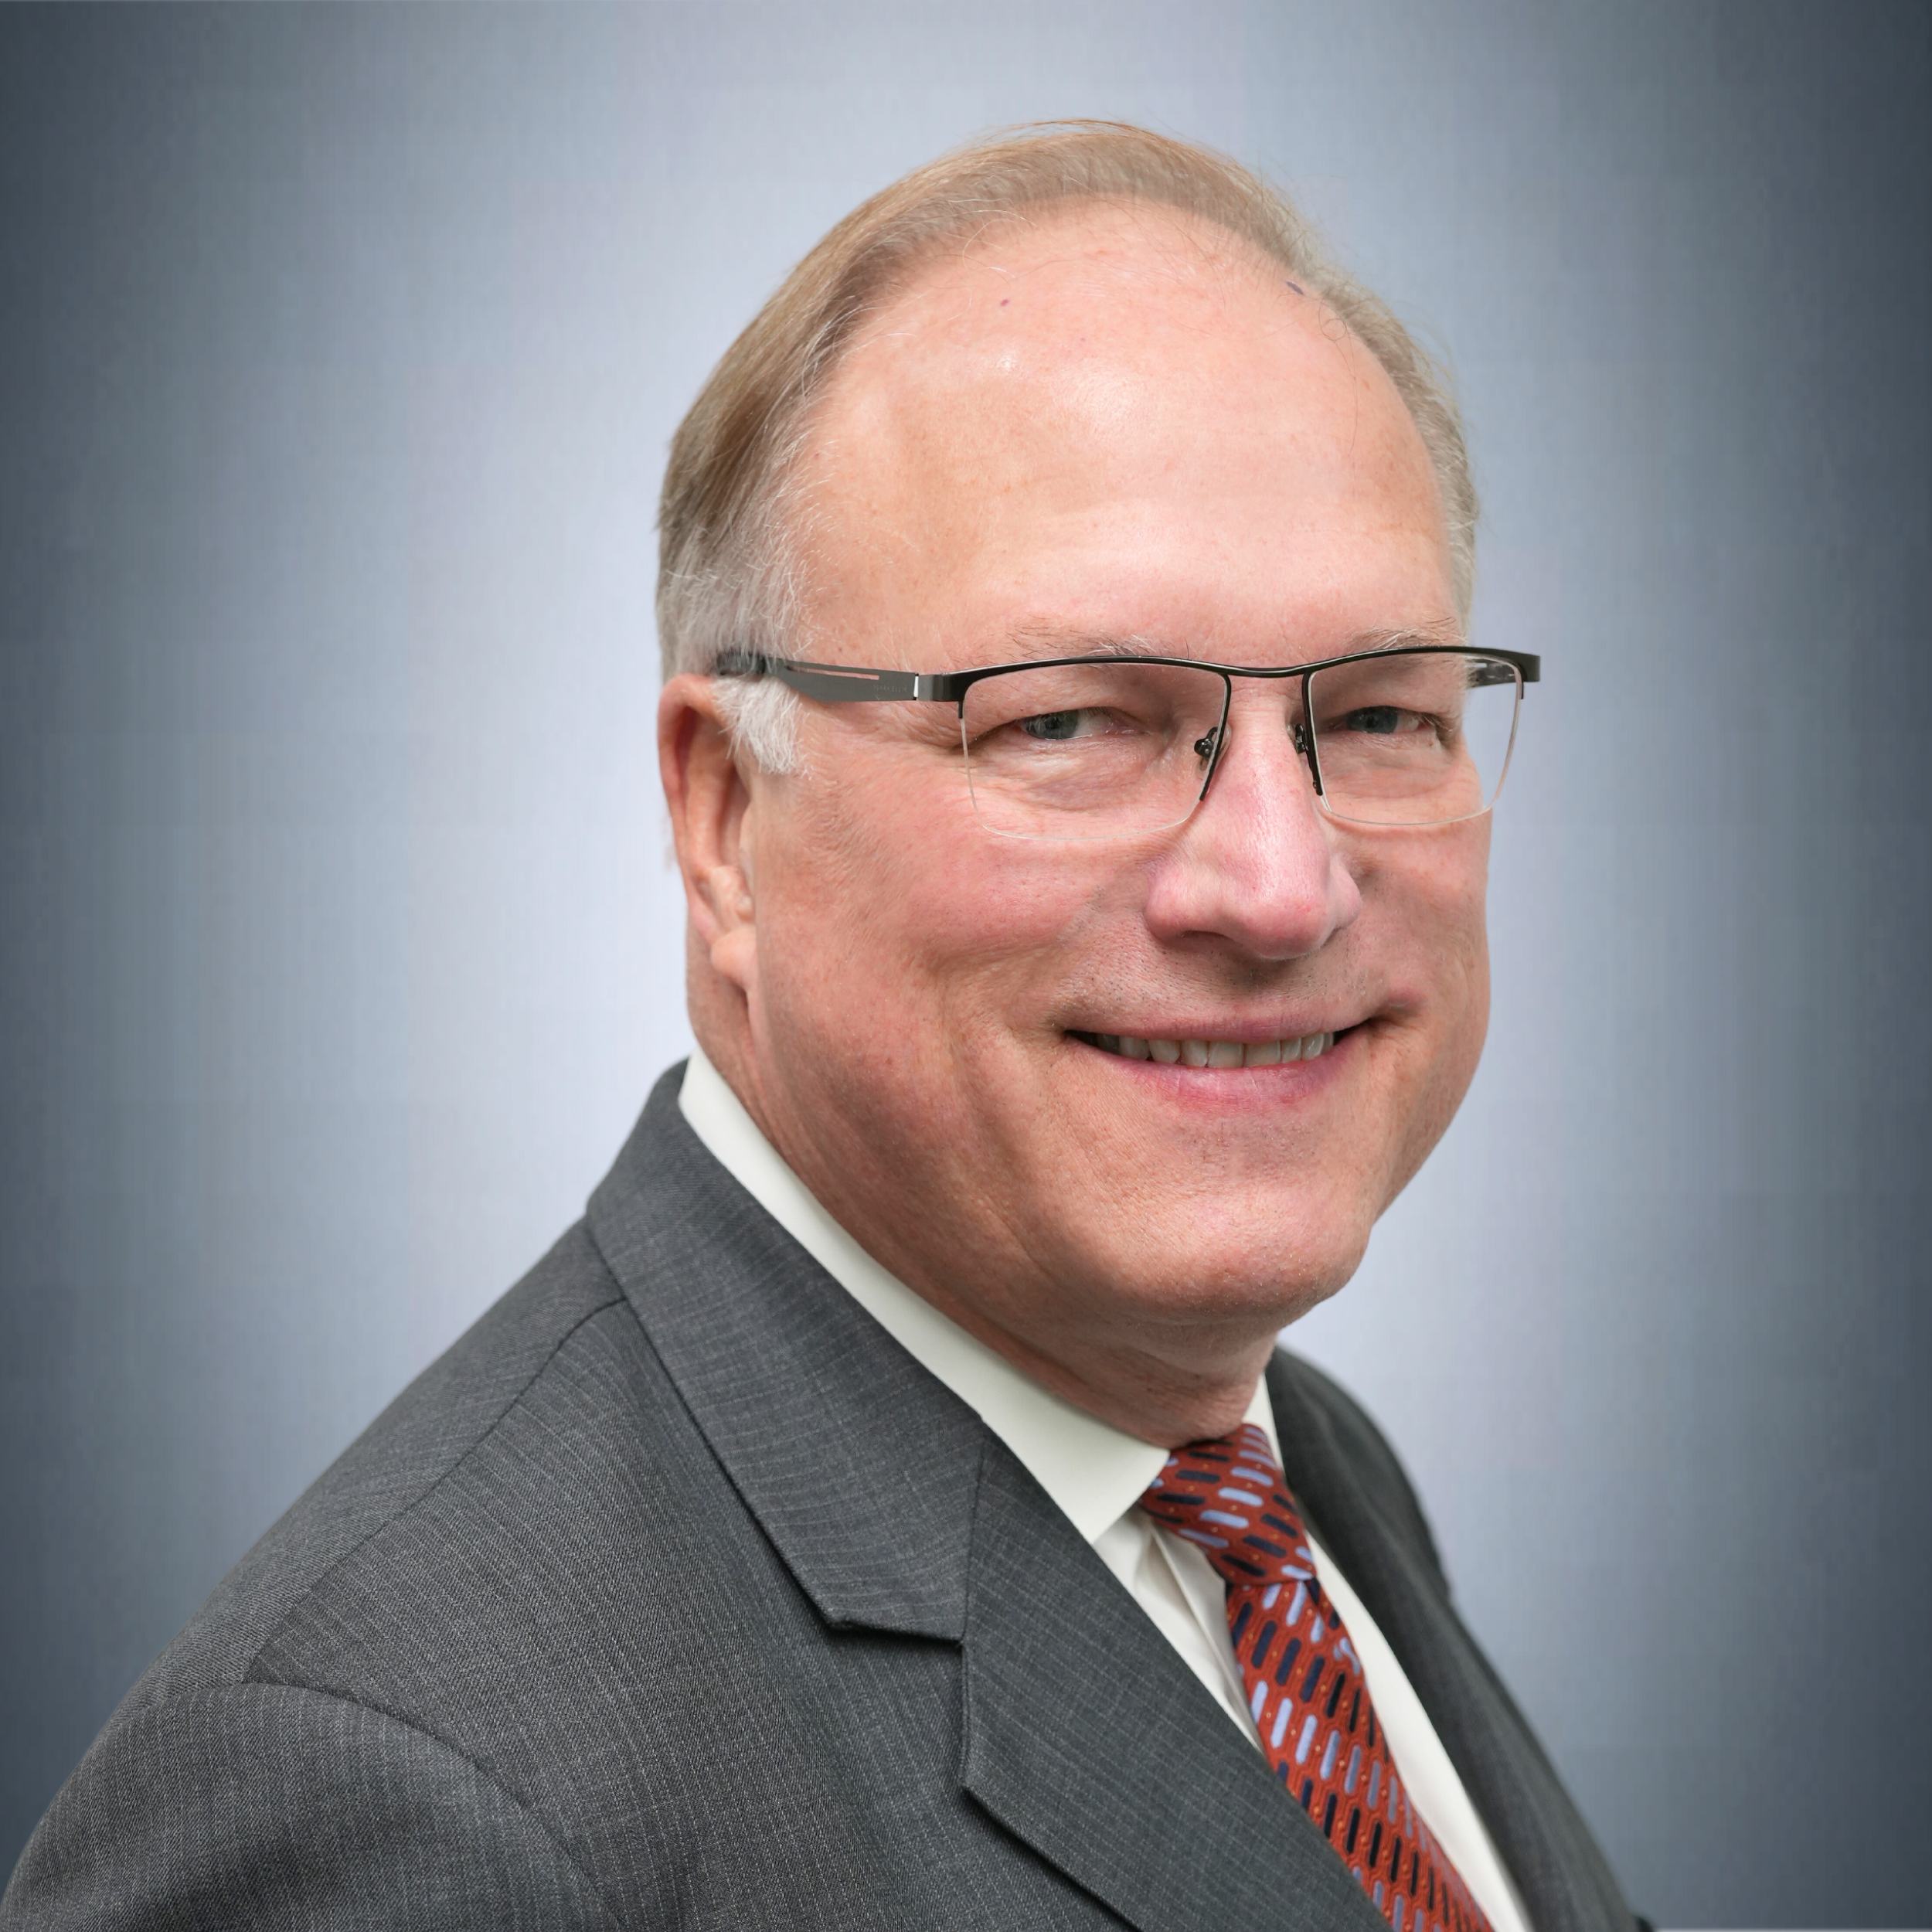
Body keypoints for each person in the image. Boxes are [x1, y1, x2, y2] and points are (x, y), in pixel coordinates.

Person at [4, 123, 1645, 1931]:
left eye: (1385, 712)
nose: (1277, 883)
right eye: (1071, 719)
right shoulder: (397, 1799)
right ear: (722, 818)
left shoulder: (1286, 1479)